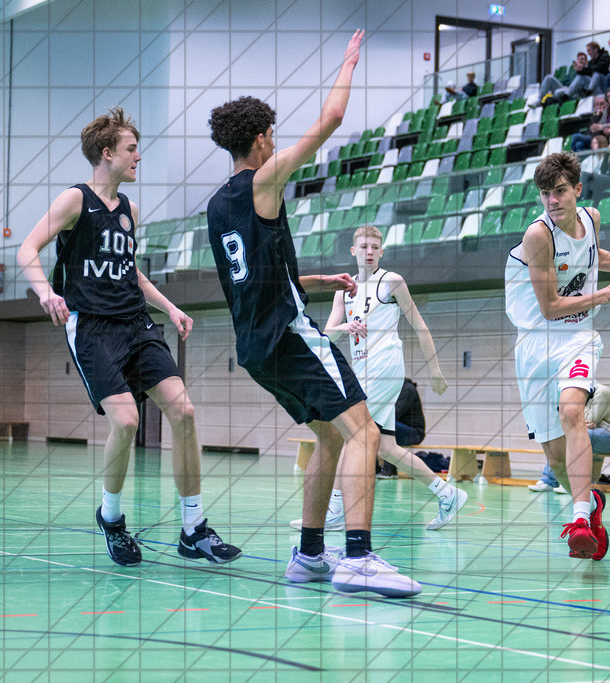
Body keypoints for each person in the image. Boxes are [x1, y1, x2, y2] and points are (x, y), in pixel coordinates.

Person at [205, 31, 421, 598]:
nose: (275, 142)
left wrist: (314, 280)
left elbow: (247, 279)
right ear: (259, 140)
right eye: (271, 135)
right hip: (291, 335)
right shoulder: (264, 180)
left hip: (256, 345)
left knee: (330, 438)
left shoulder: (216, 205)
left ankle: (307, 554)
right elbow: (330, 118)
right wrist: (348, 63)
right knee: (366, 432)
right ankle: (358, 558)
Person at [16, 108, 242, 568]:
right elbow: (27, 249)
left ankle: (193, 528)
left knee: (183, 410)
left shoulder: (131, 211)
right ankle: (112, 517)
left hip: (136, 324)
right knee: (126, 422)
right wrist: (45, 292)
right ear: (107, 153)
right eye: (131, 149)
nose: (139, 156)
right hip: (93, 327)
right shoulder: (74, 201)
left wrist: (172, 307)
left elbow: (130, 272)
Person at [504, 152, 610, 561]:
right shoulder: (538, 236)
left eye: (559, 192)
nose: (552, 201)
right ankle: (591, 504)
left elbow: (597, 256)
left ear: (577, 190)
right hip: (536, 342)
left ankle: (578, 519)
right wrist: (609, 294)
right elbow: (550, 306)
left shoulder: (590, 218)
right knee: (556, 461)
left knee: (572, 411)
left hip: (577, 336)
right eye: (545, 194)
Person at [297, 225, 467, 532]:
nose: (370, 252)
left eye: (375, 247)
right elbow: (326, 336)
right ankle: (448, 494)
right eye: (364, 247)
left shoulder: (391, 281)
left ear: (382, 250)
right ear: (353, 251)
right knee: (386, 448)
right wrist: (343, 329)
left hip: (385, 366)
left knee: (351, 433)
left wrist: (435, 370)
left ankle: (335, 507)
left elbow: (420, 326)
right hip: (361, 369)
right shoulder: (343, 290)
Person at [529, 382, 610, 493]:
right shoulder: (584, 395)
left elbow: (591, 418)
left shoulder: (600, 392)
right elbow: (579, 420)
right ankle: (548, 481)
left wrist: (578, 415)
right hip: (601, 435)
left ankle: (568, 483)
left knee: (575, 435)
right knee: (562, 436)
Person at [394, 378, 426, 447]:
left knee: (379, 426)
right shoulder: (394, 389)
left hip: (415, 433)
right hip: (401, 427)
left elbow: (395, 414)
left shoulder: (407, 389)